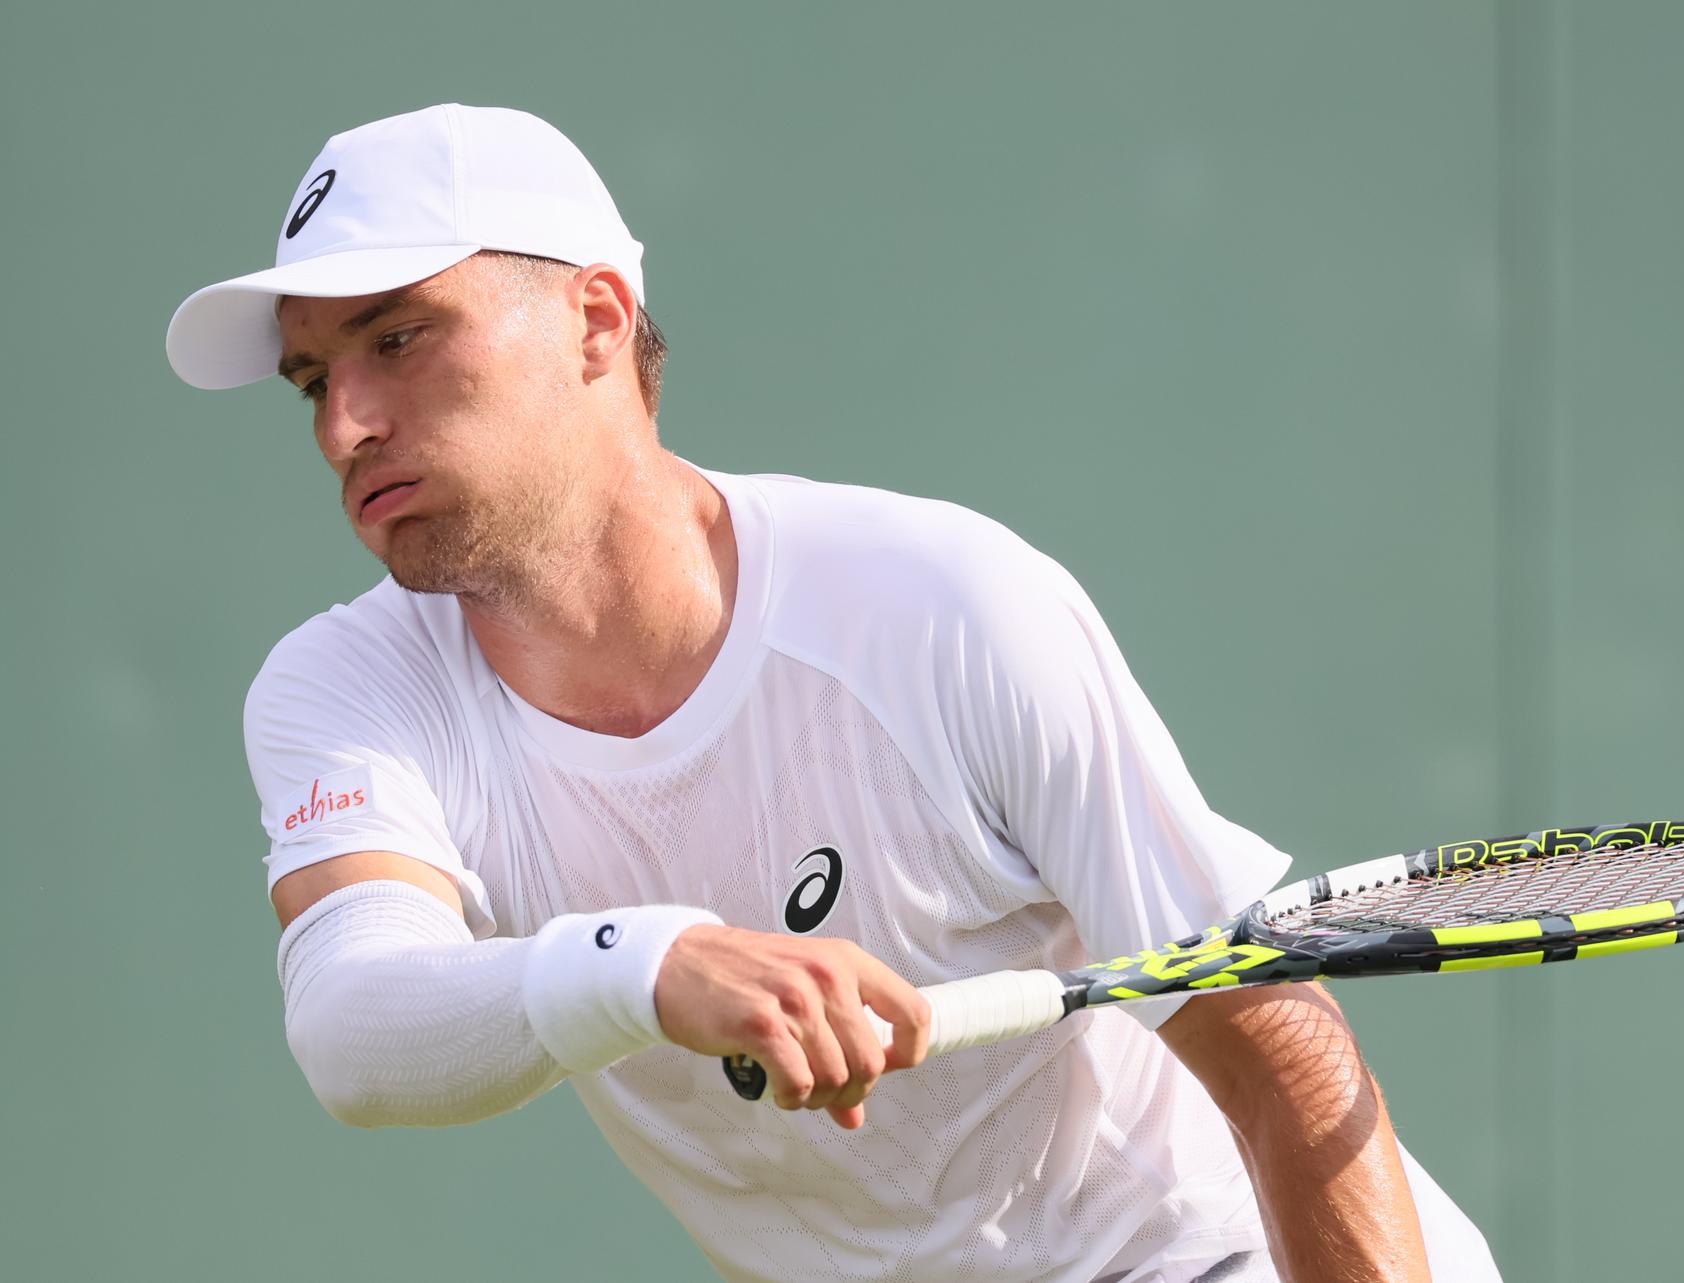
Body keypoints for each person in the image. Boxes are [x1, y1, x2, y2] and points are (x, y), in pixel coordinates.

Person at [165, 103, 1499, 1283]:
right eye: (313, 381)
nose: (346, 425)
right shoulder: (346, 688)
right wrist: (658, 965)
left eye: (398, 338)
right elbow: (355, 1027)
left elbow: (1279, 1047)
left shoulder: (942, 608)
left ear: (593, 323)